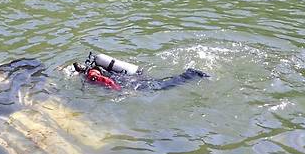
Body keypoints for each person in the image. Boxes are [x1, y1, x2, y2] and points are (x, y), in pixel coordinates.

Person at [73, 60, 209, 92]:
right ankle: (188, 75)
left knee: (160, 86)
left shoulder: (92, 75)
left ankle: (190, 74)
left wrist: (119, 91)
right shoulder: (93, 70)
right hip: (130, 78)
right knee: (159, 83)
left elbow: (107, 81)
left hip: (130, 83)